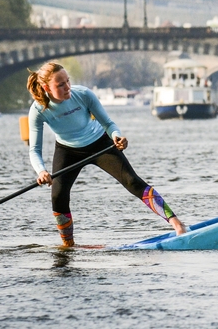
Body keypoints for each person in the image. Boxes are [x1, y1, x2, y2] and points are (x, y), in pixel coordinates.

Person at [26, 62, 187, 246]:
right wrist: (41, 171)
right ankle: (68, 245)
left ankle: (177, 224)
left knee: (132, 181)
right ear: (46, 88)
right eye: (60, 85)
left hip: (99, 143)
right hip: (67, 150)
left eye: (68, 81)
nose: (67, 87)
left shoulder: (83, 94)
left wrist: (116, 136)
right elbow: (34, 150)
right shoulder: (38, 110)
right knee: (57, 196)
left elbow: (108, 124)